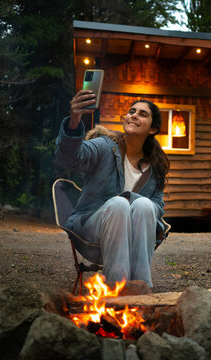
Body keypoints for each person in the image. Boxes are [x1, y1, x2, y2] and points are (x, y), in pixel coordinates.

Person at [55, 90, 170, 288]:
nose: (133, 115)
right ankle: (116, 289)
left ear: (152, 129)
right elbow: (70, 159)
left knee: (144, 205)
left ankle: (141, 289)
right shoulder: (105, 147)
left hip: (134, 234)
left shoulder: (155, 165)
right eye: (131, 111)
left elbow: (157, 206)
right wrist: (74, 120)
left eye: (142, 114)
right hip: (92, 229)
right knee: (119, 204)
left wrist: (137, 206)